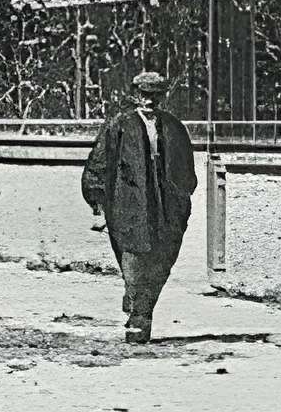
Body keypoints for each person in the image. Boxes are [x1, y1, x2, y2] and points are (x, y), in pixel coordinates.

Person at [80, 69, 196, 342]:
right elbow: (99, 163)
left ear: (163, 96)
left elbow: (187, 169)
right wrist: (97, 202)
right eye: (145, 95)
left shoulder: (175, 127)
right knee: (133, 261)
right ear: (136, 95)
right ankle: (138, 319)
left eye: (155, 95)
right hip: (128, 204)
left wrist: (181, 197)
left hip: (166, 206)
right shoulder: (118, 125)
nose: (150, 101)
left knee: (161, 262)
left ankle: (139, 305)